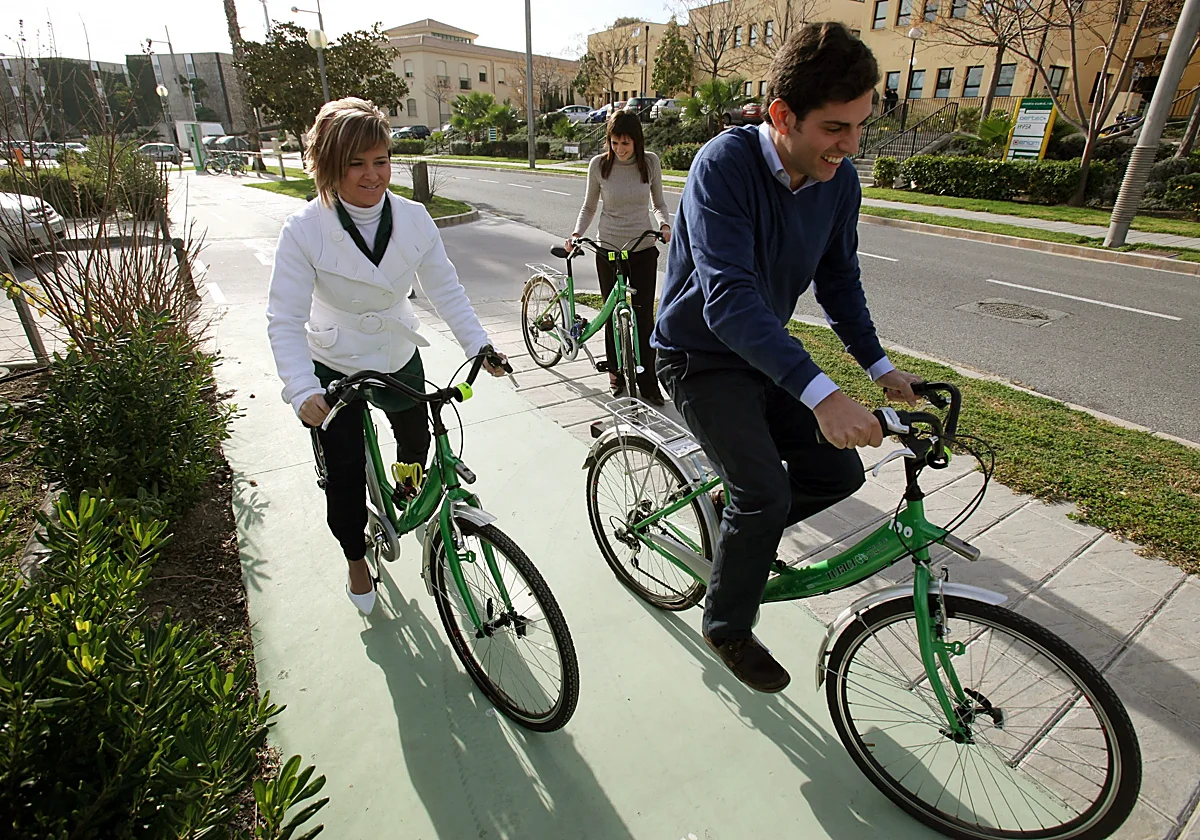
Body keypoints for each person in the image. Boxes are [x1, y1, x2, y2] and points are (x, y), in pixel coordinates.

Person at [651, 23, 923, 693]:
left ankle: (738, 524)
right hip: (699, 355)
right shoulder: (724, 165)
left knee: (837, 474)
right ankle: (726, 625)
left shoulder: (838, 181)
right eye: (835, 127)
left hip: (762, 354)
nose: (851, 145)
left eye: (860, 126)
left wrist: (879, 368)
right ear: (782, 115)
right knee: (764, 493)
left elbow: (839, 281)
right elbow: (728, 301)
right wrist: (824, 396)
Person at [266, 97, 506, 617]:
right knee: (345, 474)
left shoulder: (415, 219)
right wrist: (301, 389)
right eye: (356, 163)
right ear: (328, 165)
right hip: (333, 361)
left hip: (396, 350)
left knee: (417, 440)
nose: (372, 175)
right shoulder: (304, 229)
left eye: (381, 160)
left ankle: (404, 490)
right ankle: (356, 558)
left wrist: (479, 344)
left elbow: (446, 289)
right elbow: (284, 318)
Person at [568, 110, 672, 406]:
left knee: (643, 317)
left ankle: (648, 382)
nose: (620, 149)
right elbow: (589, 207)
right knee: (612, 313)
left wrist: (664, 225)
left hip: (642, 248)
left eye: (625, 143)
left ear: (636, 141)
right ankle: (615, 373)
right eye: (614, 143)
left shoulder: (649, 162)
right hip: (608, 249)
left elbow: (659, 203)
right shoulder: (599, 165)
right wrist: (577, 233)